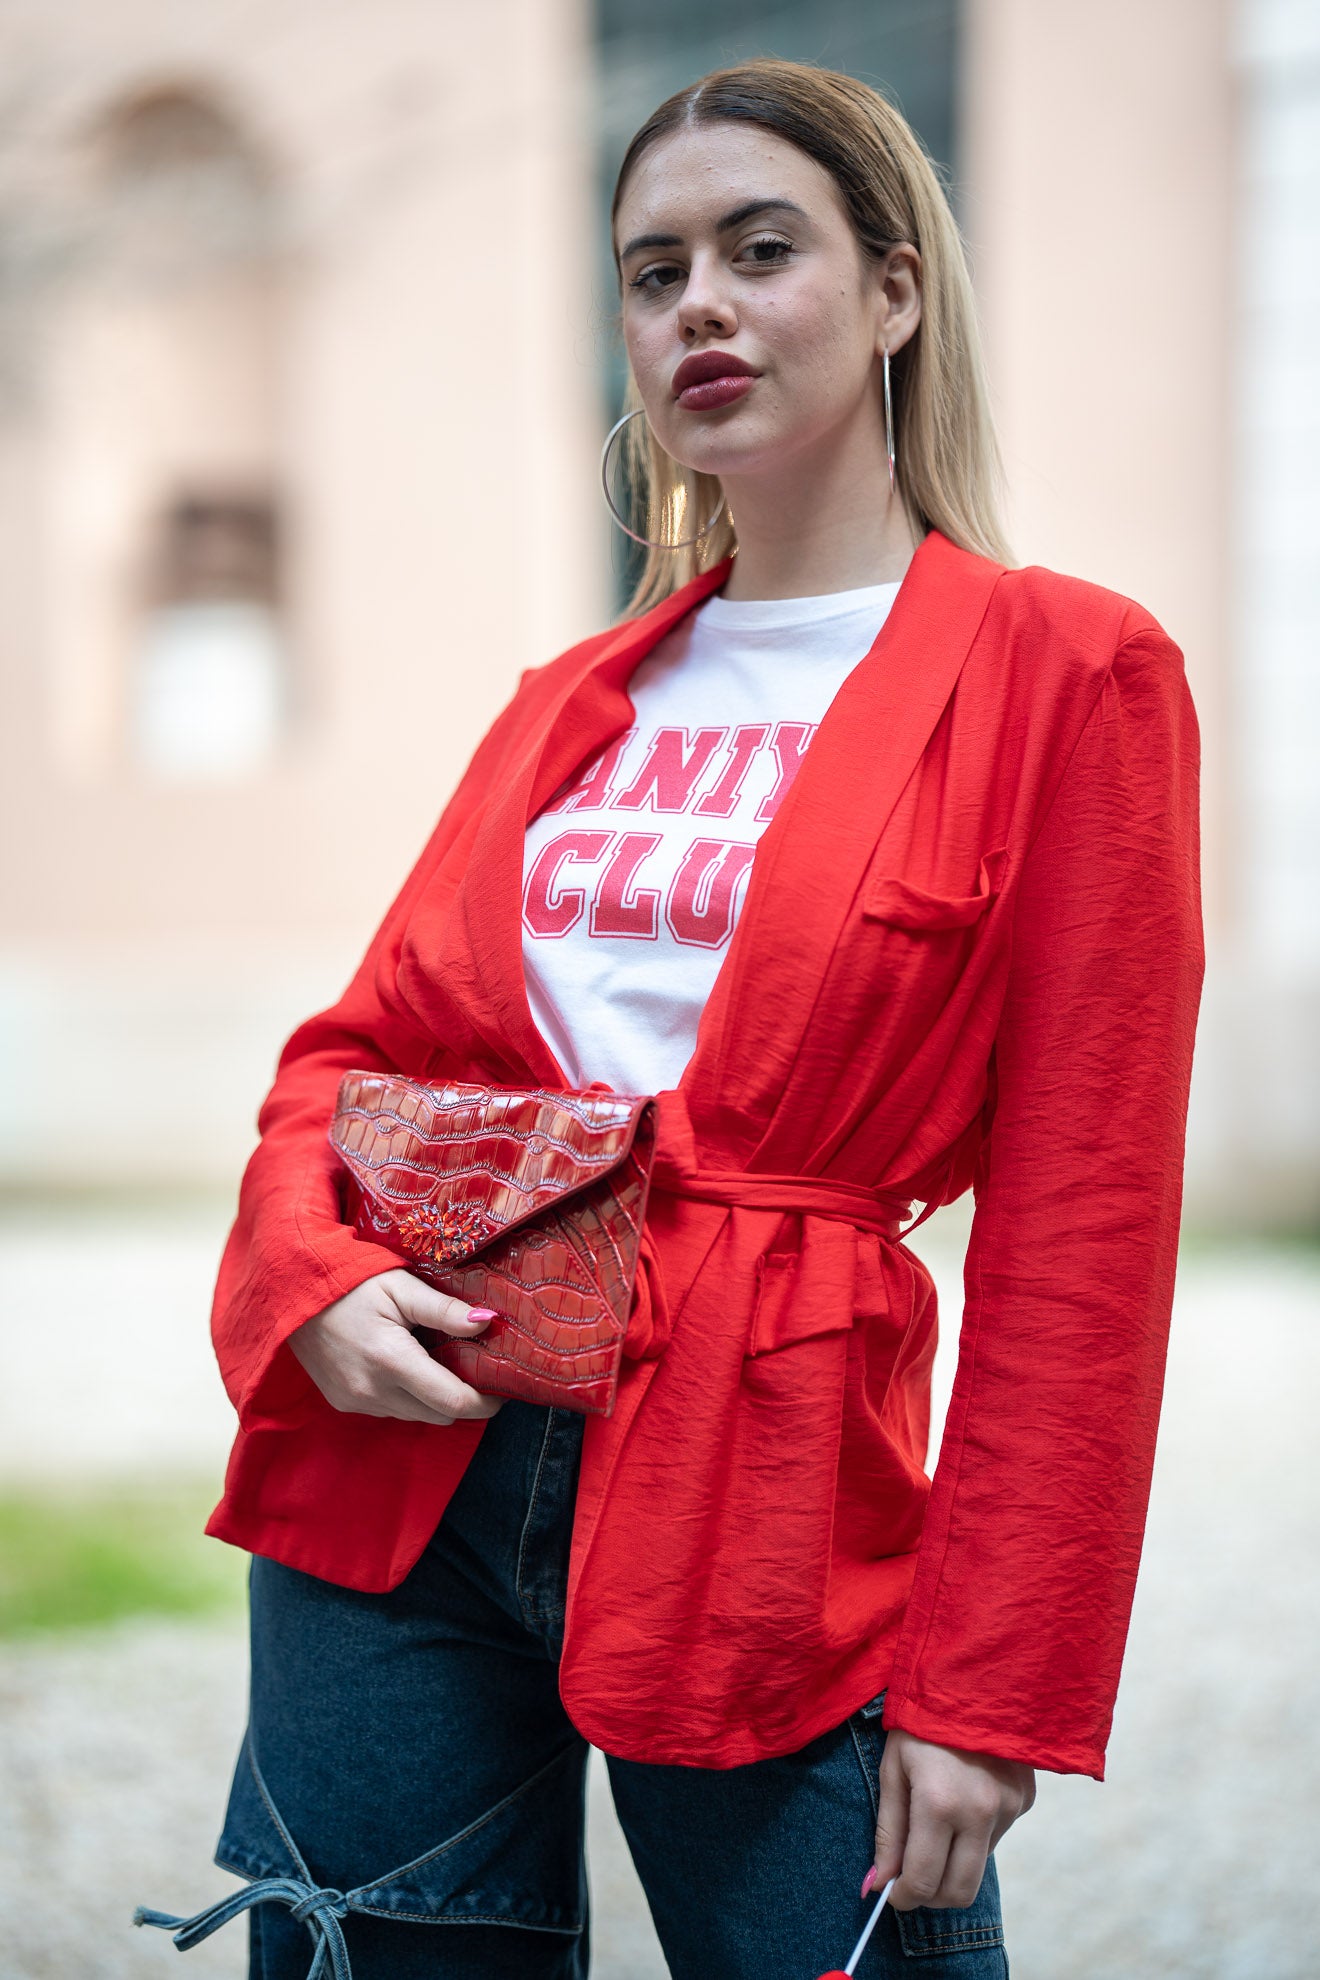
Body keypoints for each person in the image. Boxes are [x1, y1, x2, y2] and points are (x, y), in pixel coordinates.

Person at [134, 56, 1204, 1980]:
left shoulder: (1069, 672)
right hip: (409, 1456)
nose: (699, 303)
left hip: (763, 1486)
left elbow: (1087, 1227)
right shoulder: (569, 697)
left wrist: (994, 1686)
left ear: (895, 290)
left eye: (759, 249)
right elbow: (352, 1062)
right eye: (653, 271)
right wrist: (308, 1282)